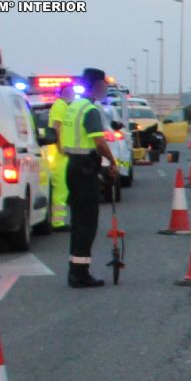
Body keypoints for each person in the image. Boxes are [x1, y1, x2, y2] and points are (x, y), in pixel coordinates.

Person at [62, 68, 118, 288]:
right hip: (85, 168)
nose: (105, 89)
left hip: (73, 166)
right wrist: (112, 162)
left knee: (78, 221)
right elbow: (100, 142)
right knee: (87, 223)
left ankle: (75, 269)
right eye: (103, 85)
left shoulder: (73, 106)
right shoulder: (90, 109)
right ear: (96, 85)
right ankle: (80, 273)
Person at [48, 84, 75, 231]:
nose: (71, 94)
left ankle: (58, 220)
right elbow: (56, 126)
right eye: (68, 92)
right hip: (59, 154)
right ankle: (57, 222)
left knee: (63, 188)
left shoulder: (65, 106)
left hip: (62, 153)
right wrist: (60, 147)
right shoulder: (59, 106)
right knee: (61, 188)